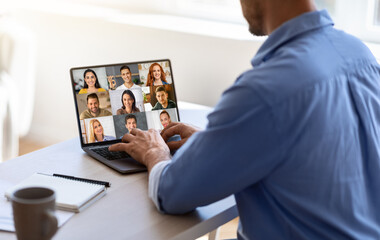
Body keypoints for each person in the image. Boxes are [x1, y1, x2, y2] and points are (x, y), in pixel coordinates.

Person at [110, 0, 380, 239]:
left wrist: (155, 151)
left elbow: (171, 194)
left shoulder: (264, 90)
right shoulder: (359, 53)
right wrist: (218, 141)